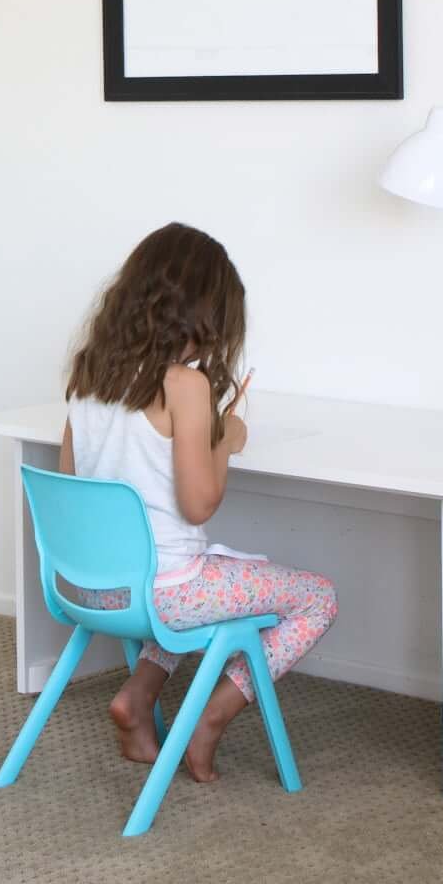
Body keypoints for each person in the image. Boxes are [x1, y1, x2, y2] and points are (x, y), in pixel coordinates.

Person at [59, 221, 337, 782]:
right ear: (205, 317)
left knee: (203, 584)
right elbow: (200, 505)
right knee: (317, 598)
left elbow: (72, 487)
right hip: (166, 594)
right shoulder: (185, 386)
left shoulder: (89, 376)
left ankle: (137, 698)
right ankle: (210, 718)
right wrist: (225, 441)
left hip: (96, 588)